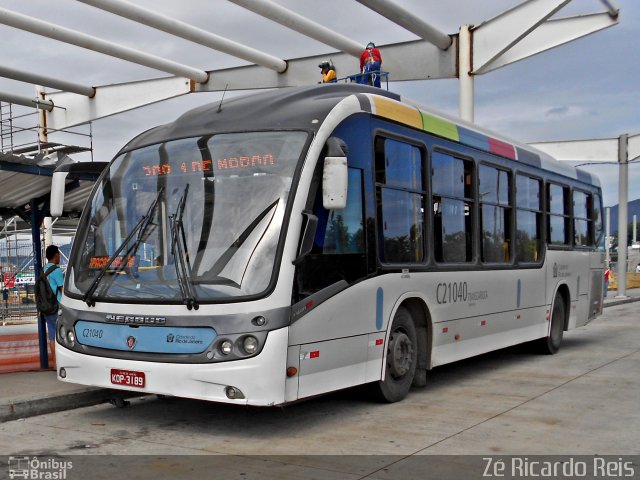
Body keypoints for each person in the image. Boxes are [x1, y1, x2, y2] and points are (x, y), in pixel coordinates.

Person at [43, 245, 64, 367]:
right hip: (57, 307)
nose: (59, 257)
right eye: (59, 254)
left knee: (51, 335)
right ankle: (60, 363)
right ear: (56, 255)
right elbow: (62, 290)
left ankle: (55, 363)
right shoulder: (56, 271)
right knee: (60, 334)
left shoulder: (43, 270)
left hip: (46, 307)